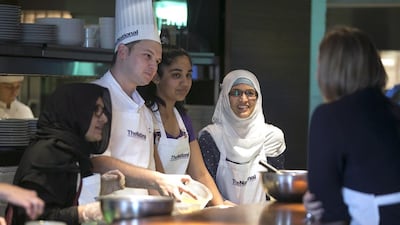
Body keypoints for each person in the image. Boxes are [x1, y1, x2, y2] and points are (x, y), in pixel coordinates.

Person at [91, 0, 194, 199]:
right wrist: (157, 179)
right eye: (147, 56)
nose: (153, 67)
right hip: (103, 214)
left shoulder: (144, 111)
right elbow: (97, 162)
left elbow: (150, 174)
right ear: (122, 52)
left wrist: (164, 209)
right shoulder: (95, 96)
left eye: (156, 61)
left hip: (140, 214)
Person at [306, 26, 400, 225]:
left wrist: (316, 209)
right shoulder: (394, 111)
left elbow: (331, 214)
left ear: (329, 71)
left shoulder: (328, 117)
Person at [7, 83, 120, 225]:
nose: (104, 119)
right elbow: (35, 219)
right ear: (76, 111)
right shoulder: (47, 155)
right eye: (96, 110)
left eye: (103, 111)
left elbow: (67, 197)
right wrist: (83, 213)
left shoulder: (71, 151)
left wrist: (100, 188)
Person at [138, 47, 234, 206]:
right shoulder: (146, 116)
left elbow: (201, 174)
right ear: (156, 77)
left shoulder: (183, 119)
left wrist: (221, 207)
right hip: (156, 205)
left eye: (188, 75)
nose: (185, 82)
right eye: (176, 75)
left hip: (180, 204)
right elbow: (157, 174)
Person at [198, 69, 286, 204]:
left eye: (250, 93)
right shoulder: (210, 137)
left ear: (258, 97)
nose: (243, 99)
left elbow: (276, 189)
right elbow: (205, 185)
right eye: (236, 93)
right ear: (225, 97)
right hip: (221, 217)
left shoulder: (272, 137)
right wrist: (225, 207)